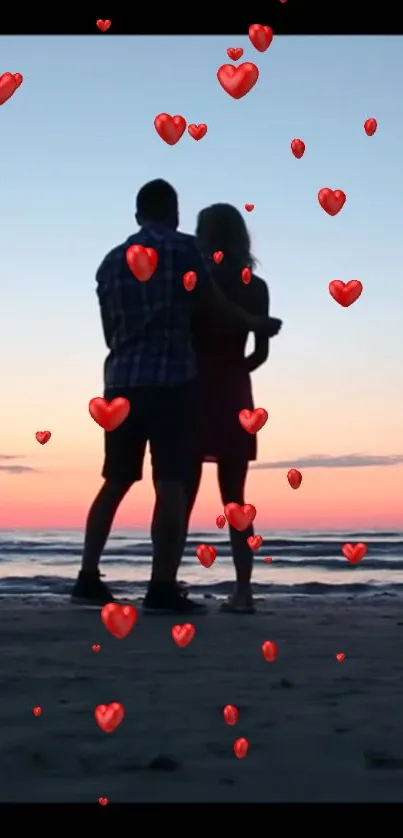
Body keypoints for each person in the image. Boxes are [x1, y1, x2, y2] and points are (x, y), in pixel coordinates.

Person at [71, 180, 282, 613]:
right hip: (204, 387)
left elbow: (112, 331)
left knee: (141, 485)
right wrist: (249, 336)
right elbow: (240, 335)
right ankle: (224, 589)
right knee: (226, 495)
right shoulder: (211, 269)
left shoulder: (113, 262)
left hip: (150, 382)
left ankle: (107, 577)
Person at [183, 203, 276, 613]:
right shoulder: (256, 287)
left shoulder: (195, 282)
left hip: (193, 388)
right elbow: (261, 353)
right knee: (235, 499)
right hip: (236, 390)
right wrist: (235, 372)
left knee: (178, 491)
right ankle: (244, 591)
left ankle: (163, 578)